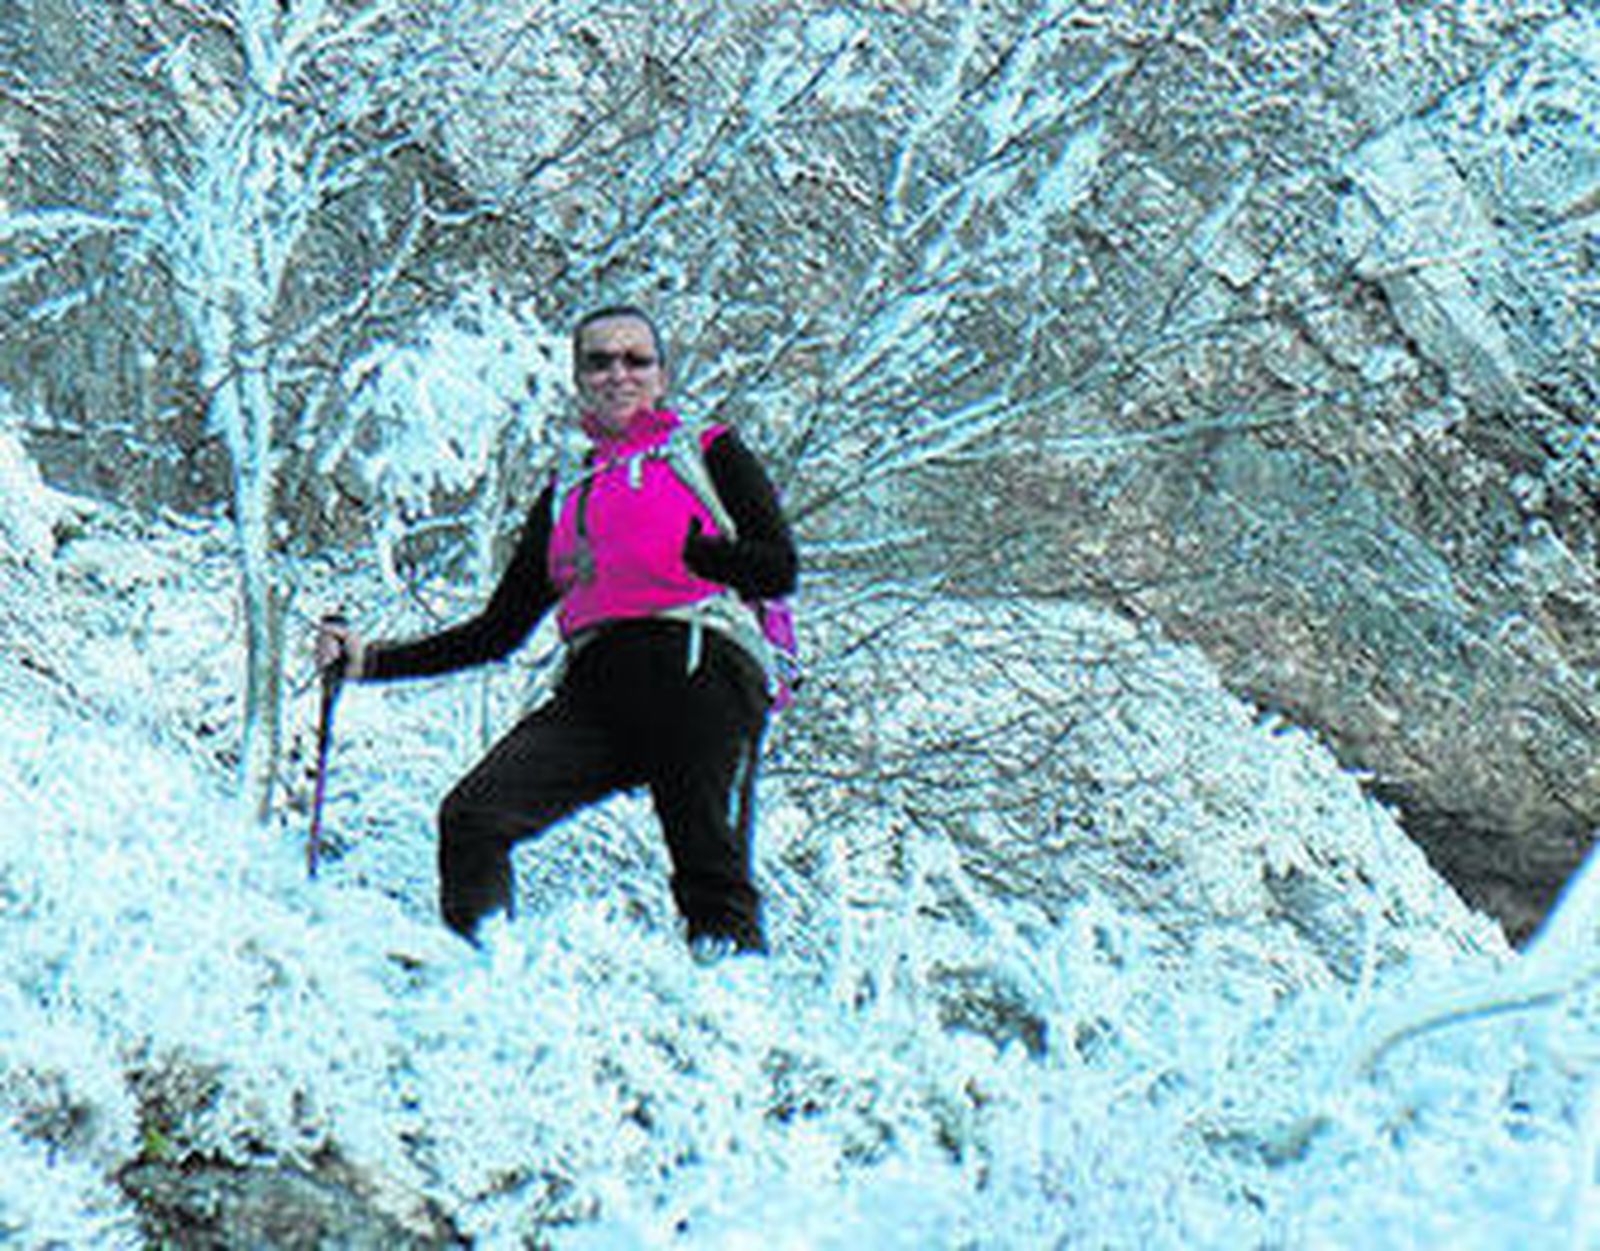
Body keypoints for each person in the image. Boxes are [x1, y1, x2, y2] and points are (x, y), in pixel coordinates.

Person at [316, 306, 798, 962]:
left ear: (661, 375)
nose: (617, 374)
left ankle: (742, 1031)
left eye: (636, 359)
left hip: (702, 672)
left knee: (709, 873)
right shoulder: (569, 490)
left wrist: (708, 559)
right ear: (578, 377)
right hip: (599, 690)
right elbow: (498, 631)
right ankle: (490, 983)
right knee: (473, 816)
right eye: (599, 361)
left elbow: (778, 567)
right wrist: (367, 662)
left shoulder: (708, 449)